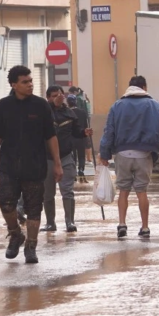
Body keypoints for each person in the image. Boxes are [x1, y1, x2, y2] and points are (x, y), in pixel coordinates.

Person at [0, 66, 60, 264]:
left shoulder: (41, 106)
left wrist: (58, 164)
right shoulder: (4, 106)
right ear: (14, 85)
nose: (30, 84)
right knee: (5, 202)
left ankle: (31, 247)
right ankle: (15, 234)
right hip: (9, 166)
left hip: (35, 166)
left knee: (34, 208)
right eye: (25, 82)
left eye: (30, 81)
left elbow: (51, 136)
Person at [98, 75, 159, 238]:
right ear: (144, 87)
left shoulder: (117, 106)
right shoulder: (155, 105)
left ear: (129, 88)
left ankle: (122, 224)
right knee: (141, 191)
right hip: (145, 154)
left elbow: (108, 132)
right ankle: (145, 228)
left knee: (123, 190)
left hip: (122, 154)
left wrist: (105, 154)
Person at [42, 85, 92, 233]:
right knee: (48, 193)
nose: (57, 97)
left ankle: (70, 222)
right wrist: (53, 106)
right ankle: (50, 223)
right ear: (48, 98)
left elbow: (76, 132)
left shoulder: (70, 114)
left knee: (68, 191)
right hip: (47, 159)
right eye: (53, 95)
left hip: (66, 157)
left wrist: (84, 132)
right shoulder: (44, 112)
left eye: (59, 94)